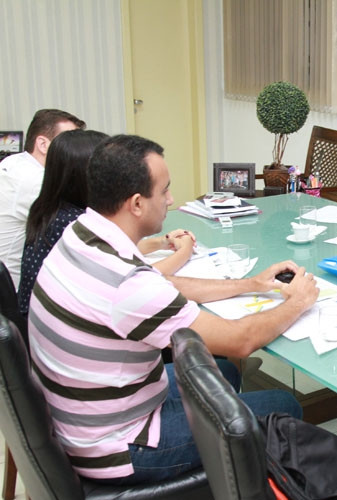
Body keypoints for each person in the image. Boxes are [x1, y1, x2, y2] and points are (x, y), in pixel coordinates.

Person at [28, 134, 318, 485]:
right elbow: (240, 340)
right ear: (137, 203)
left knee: (224, 373)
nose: (171, 200)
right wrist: (300, 301)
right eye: (164, 191)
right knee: (283, 407)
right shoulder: (125, 282)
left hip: (84, 419)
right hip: (120, 447)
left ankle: (233, 474)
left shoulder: (82, 235)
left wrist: (251, 284)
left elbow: (168, 287)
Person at [17, 129, 196, 317]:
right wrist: (184, 252)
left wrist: (161, 242)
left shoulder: (56, 209)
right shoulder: (71, 224)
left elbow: (111, 250)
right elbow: (128, 280)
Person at [0, 109, 86, 288]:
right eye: (67, 140)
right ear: (43, 144)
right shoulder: (34, 181)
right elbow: (81, 232)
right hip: (15, 292)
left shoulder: (14, 162)